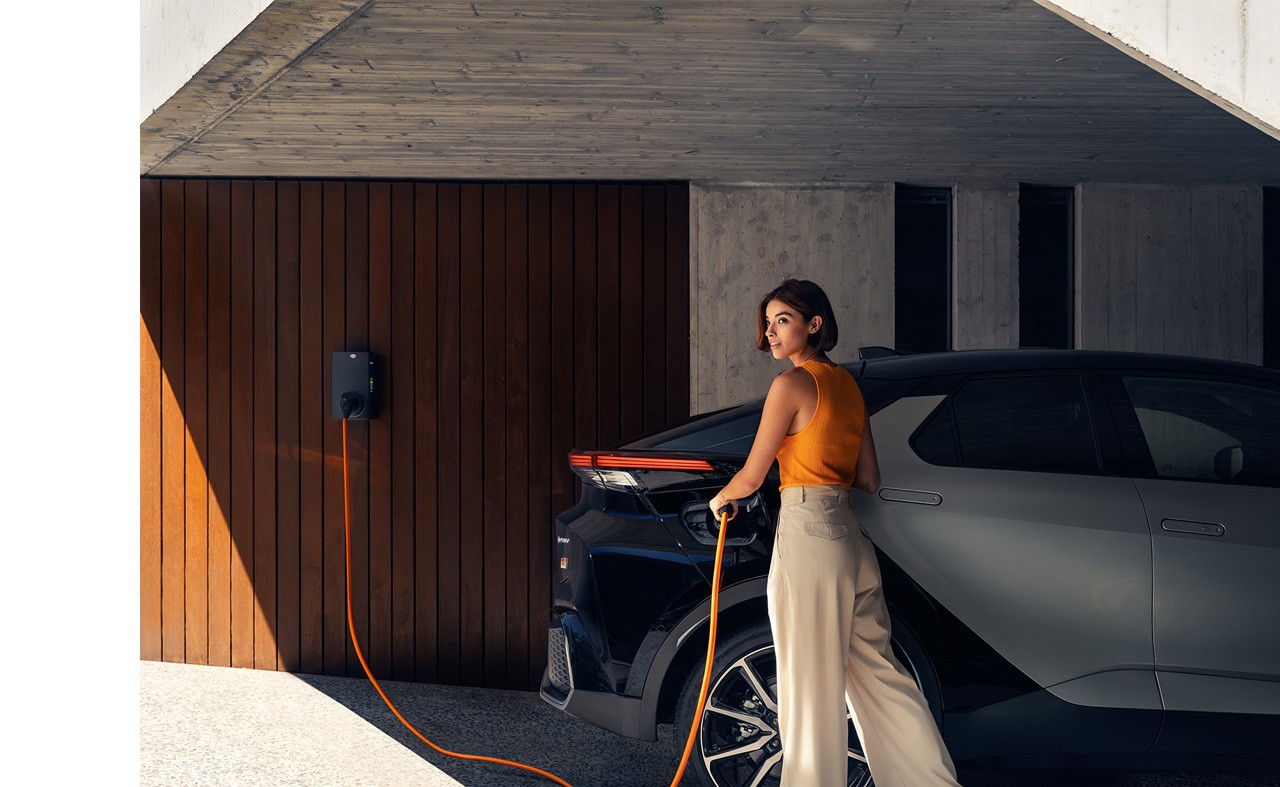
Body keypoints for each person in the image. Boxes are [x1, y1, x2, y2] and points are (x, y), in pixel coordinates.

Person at [708, 279, 960, 786]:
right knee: (882, 677)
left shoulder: (790, 385)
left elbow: (753, 476)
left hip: (808, 535)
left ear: (813, 324)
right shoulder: (849, 387)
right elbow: (869, 480)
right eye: (769, 321)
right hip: (850, 538)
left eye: (782, 320)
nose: (770, 331)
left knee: (808, 686)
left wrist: (720, 499)